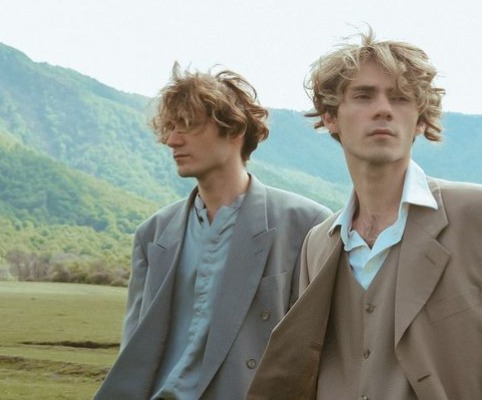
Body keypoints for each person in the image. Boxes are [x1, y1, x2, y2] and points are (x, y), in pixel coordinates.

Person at [246, 30, 482, 399]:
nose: (383, 109)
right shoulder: (319, 242)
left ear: (421, 120)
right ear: (331, 117)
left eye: (400, 97)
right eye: (364, 96)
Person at [94, 63, 331, 400]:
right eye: (170, 128)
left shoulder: (306, 224)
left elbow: (315, 352)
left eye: (188, 126)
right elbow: (135, 347)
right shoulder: (153, 234)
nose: (172, 140)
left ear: (234, 129)